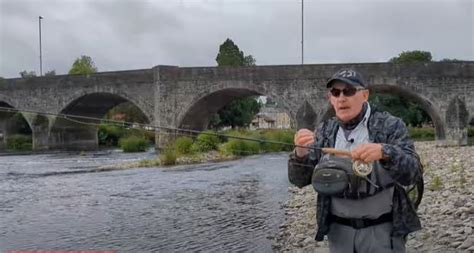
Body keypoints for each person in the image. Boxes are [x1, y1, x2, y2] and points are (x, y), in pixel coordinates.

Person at [288, 69, 423, 253]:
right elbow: (299, 180)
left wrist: (385, 152)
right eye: (336, 92)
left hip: (382, 232)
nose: (342, 98)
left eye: (349, 91)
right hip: (338, 235)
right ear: (331, 98)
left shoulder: (389, 125)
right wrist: (300, 154)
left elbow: (413, 172)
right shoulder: (324, 131)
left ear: (365, 95)